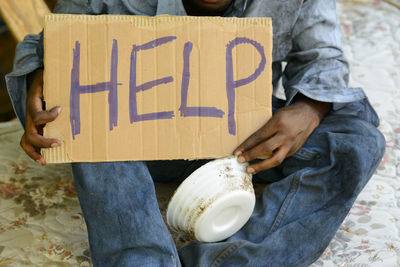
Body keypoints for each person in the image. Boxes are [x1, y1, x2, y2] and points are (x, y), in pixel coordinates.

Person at [6, 0, 385, 266]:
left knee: (357, 142)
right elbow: (50, 45)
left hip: (240, 144)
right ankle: (142, 260)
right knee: (86, 111)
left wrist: (308, 109)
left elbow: (324, 59)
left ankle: (229, 262)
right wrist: (44, 76)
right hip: (136, 141)